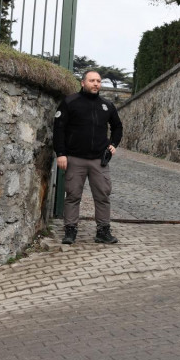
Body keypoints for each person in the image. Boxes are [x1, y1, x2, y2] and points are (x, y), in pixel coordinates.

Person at [53, 70, 123, 245]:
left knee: (103, 196)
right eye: (92, 80)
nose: (96, 84)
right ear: (83, 82)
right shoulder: (70, 102)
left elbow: (117, 127)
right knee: (73, 196)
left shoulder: (107, 105)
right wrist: (61, 153)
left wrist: (113, 144)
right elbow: (58, 129)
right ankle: (70, 231)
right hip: (75, 158)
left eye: (98, 81)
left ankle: (103, 231)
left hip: (99, 161)